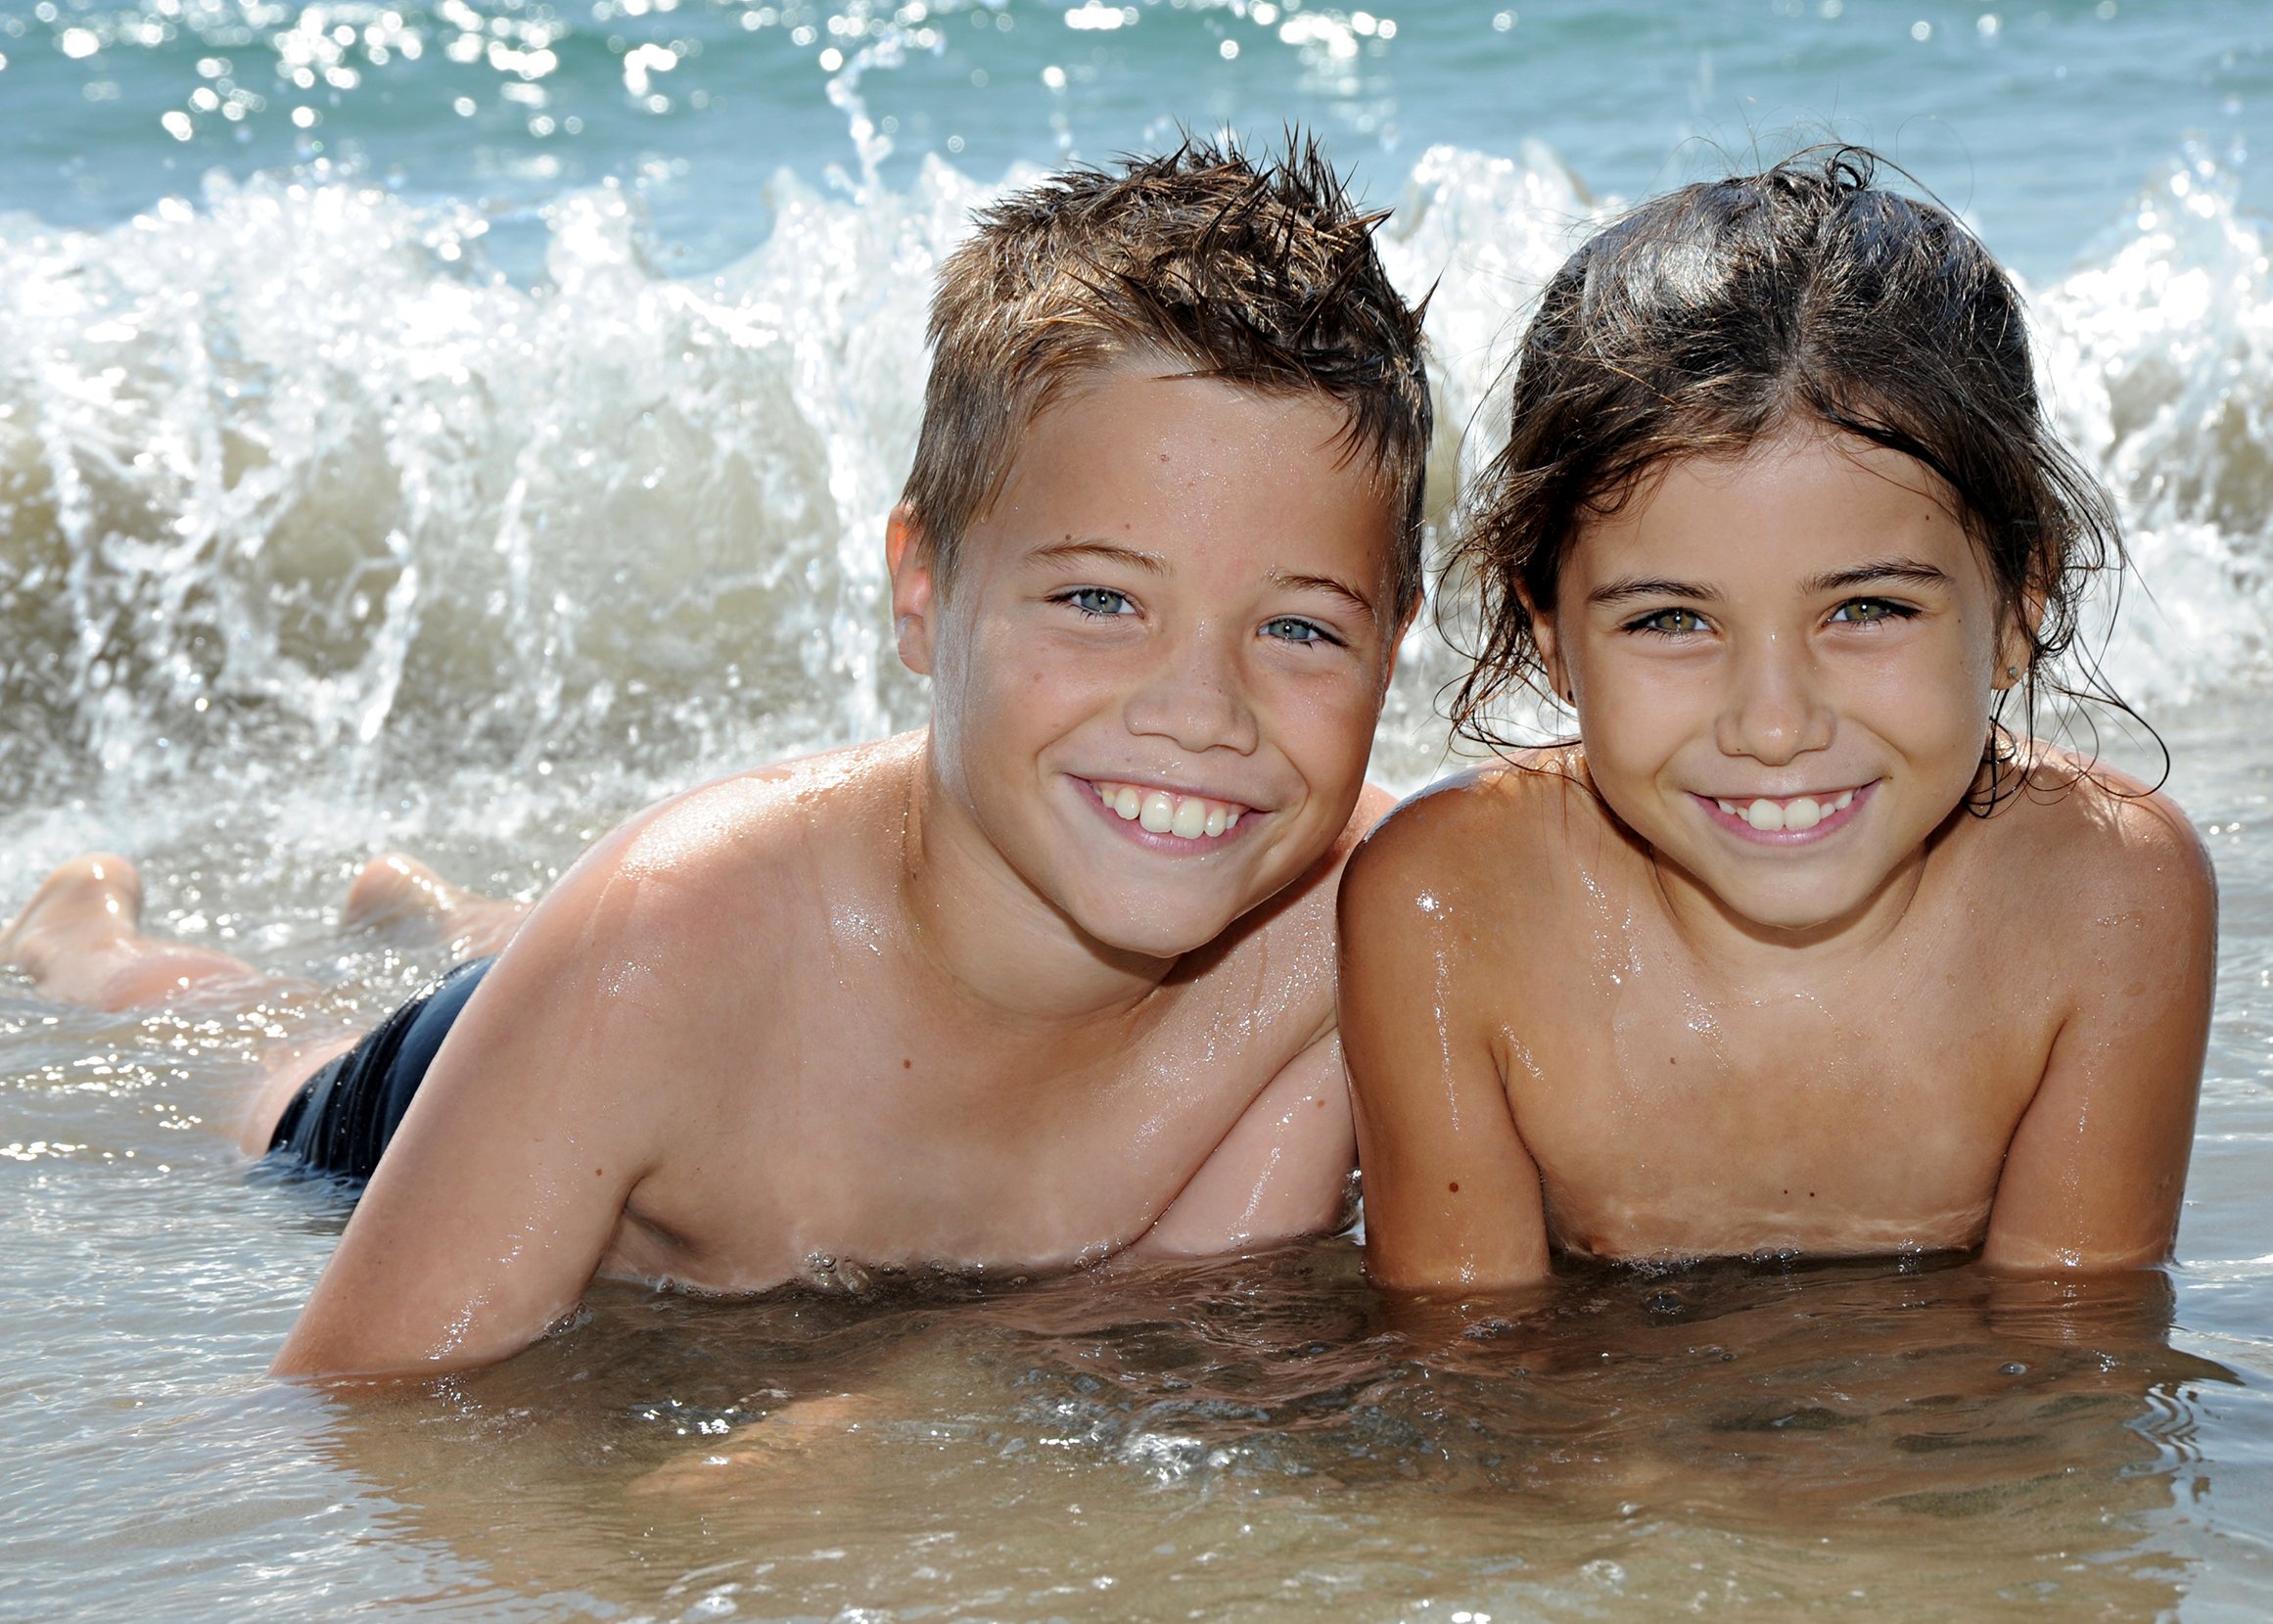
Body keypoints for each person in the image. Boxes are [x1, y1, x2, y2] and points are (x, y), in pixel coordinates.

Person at [2, 136, 1431, 1378]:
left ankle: (440, 905)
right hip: (491, 1060)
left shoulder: (1359, 918)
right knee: (265, 1058)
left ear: (1396, 638)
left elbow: (1164, 1307)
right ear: (923, 588)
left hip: (647, 977)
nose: (1202, 711)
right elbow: (367, 1397)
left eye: (1300, 629)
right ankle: (91, 937)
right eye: (1100, 599)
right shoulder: (662, 949)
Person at [1338, 150, 2215, 1293]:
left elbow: (2073, 1357)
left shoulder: (2107, 893)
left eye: (1865, 607)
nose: (1771, 723)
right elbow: (1470, 1367)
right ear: (1548, 631)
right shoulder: (1448, 905)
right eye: (1669, 621)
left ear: (2017, 604)